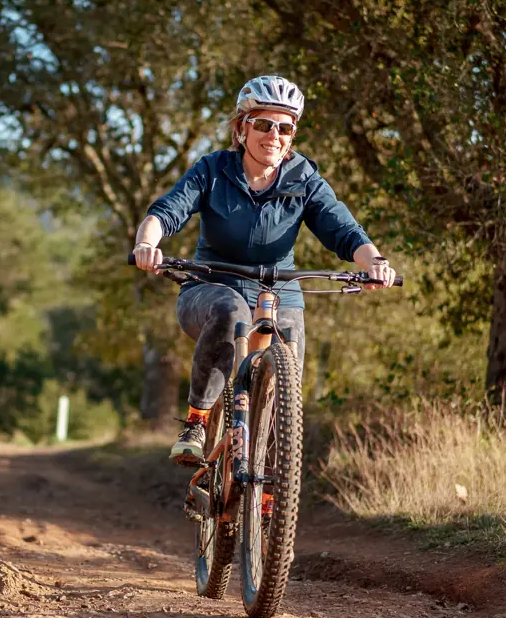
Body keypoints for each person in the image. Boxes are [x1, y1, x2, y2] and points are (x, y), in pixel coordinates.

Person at [132, 75, 397, 464]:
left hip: (278, 291)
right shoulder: (212, 170)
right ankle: (196, 423)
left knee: (286, 365)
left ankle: (273, 491)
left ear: (292, 135)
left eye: (285, 127)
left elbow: (343, 229)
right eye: (263, 124)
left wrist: (374, 263)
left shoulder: (304, 178)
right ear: (241, 128)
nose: (274, 135)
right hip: (210, 288)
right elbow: (167, 211)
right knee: (231, 312)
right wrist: (146, 244)